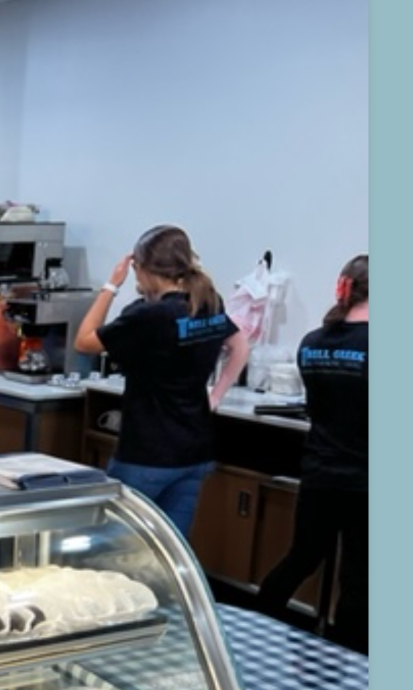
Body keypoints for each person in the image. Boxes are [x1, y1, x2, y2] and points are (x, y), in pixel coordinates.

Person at [75, 224, 250, 538]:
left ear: (141, 269)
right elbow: (239, 345)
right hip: (194, 451)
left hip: (147, 454)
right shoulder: (209, 302)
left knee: (113, 548)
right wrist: (216, 395)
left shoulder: (149, 316)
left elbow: (84, 341)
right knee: (169, 550)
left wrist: (111, 285)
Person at [257, 255, 368, 655]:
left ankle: (257, 623)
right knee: (358, 577)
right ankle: (353, 657)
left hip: (320, 471)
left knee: (301, 558)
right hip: (364, 480)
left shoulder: (313, 344)